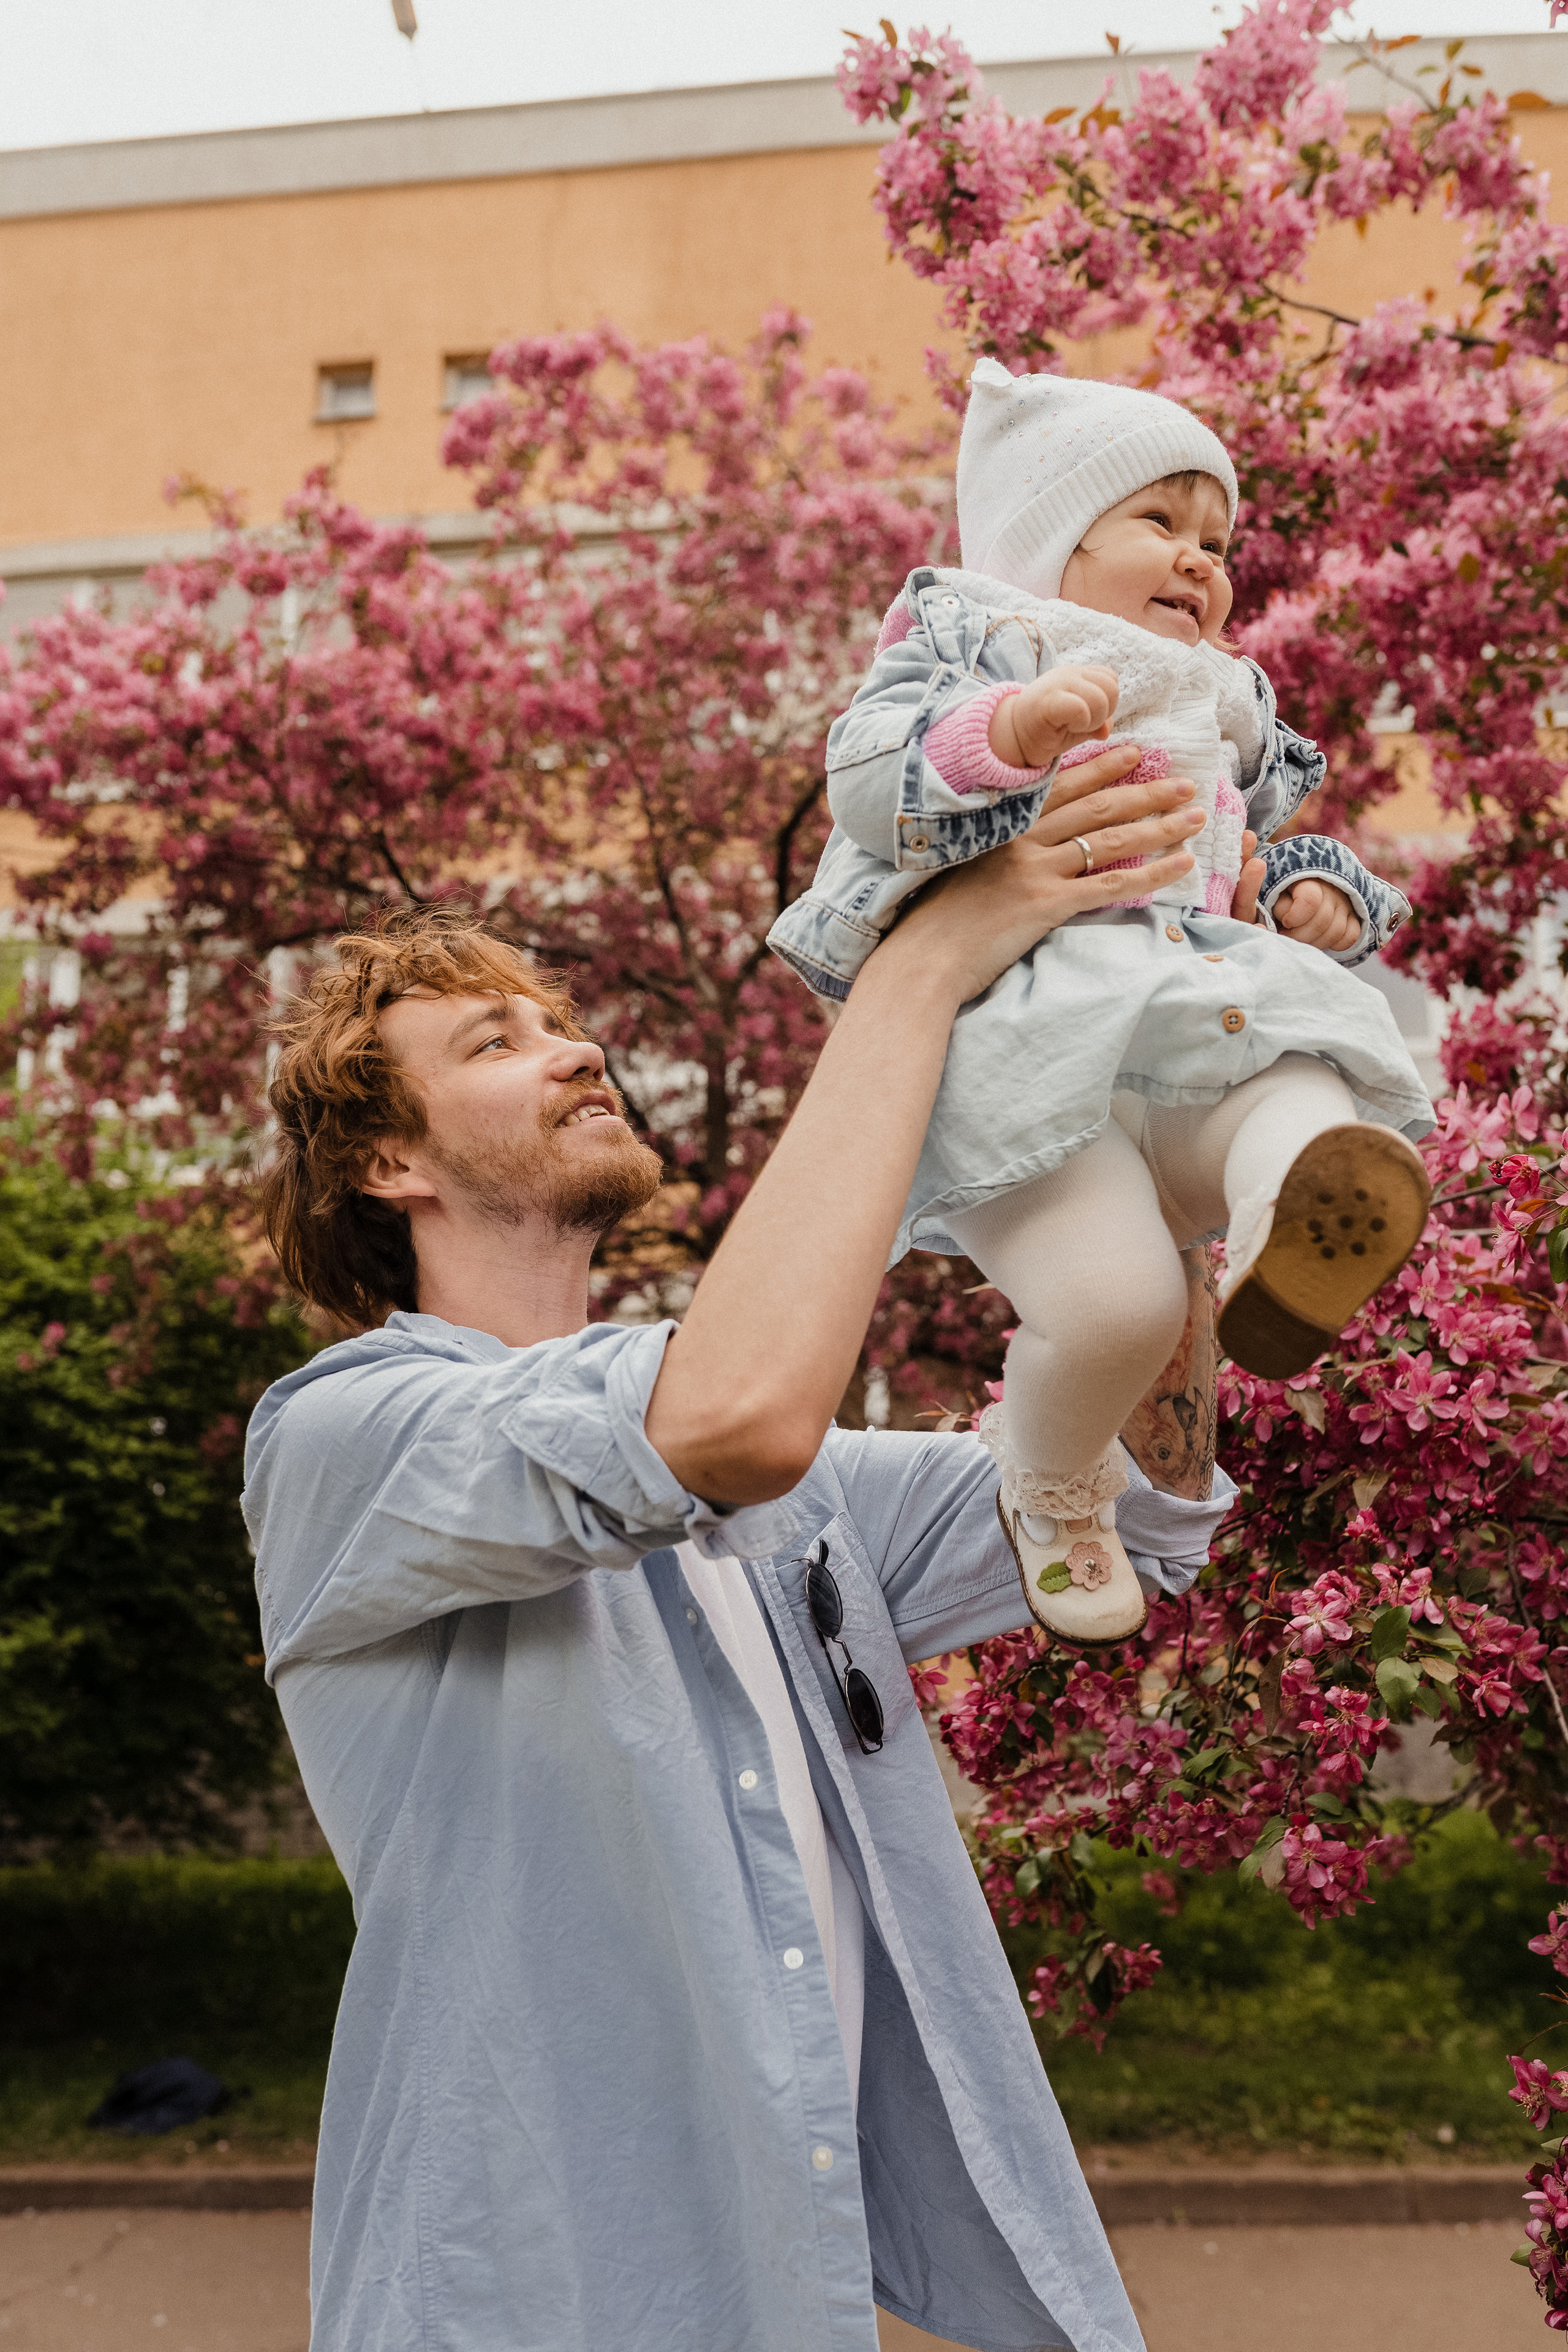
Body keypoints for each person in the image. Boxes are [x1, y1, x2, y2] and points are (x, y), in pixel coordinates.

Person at [244, 757, 1235, 2352]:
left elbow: (1135, 1505)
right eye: (494, 1043)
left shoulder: (794, 1499)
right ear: (388, 1166)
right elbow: (732, 1419)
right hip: (517, 2307)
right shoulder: (343, 1445)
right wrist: (918, 963)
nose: (574, 1049)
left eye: (560, 1022)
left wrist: (1164, 1168)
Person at [769, 358, 1434, 1647]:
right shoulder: (982, 635)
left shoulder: (1222, 695)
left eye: (1216, 539)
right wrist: (1007, 735)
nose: (1199, 561)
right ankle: (1054, 1480)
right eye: (1159, 525)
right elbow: (868, 784)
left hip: (1190, 1004)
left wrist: (1318, 901)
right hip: (1028, 1049)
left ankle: (1283, 1229)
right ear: (1050, 547)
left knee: (1295, 1079)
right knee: (1117, 1304)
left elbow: (1264, 843)